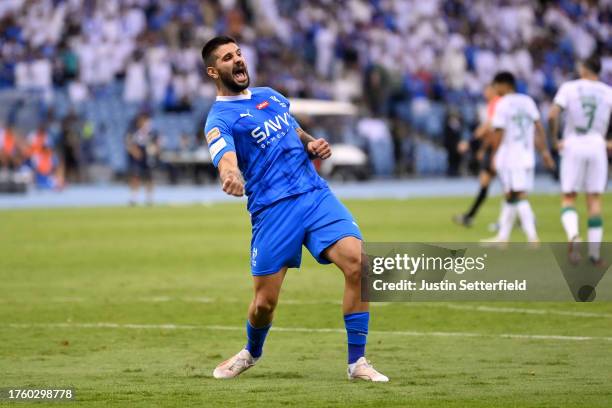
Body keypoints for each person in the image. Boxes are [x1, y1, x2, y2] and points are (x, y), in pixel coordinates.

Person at [202, 36, 388, 382]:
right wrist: (229, 174)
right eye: (228, 58)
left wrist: (310, 143)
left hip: (314, 195)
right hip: (273, 211)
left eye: (239, 53)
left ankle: (357, 362)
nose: (238, 60)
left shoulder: (270, 96)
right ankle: (251, 351)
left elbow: (293, 128)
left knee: (360, 264)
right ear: (214, 71)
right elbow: (224, 155)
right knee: (264, 305)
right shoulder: (218, 118)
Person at [548, 55, 612, 264]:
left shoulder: (570, 87)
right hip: (597, 144)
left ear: (584, 69)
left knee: (569, 197)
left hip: (573, 143)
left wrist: (556, 138)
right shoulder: (607, 91)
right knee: (594, 201)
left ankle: (574, 235)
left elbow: (552, 114)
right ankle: (594, 256)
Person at [482, 72, 555, 244]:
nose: (495, 89)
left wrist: (494, 155)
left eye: (496, 85)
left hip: (510, 156)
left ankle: (532, 237)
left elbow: (498, 132)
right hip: (526, 154)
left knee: (518, 195)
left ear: (505, 85)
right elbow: (539, 128)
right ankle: (503, 237)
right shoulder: (528, 101)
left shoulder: (503, 104)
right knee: (510, 195)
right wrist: (544, 152)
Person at [453, 84, 500, 227]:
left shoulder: (496, 104)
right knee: (485, 182)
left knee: (510, 188)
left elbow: (489, 127)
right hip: (495, 149)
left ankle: (514, 221)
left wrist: (470, 141)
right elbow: (491, 131)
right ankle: (469, 216)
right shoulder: (493, 105)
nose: (485, 93)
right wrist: (483, 149)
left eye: (487, 90)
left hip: (501, 151)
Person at [125, 113, 159, 206]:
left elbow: (156, 144)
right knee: (135, 176)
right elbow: (128, 143)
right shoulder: (133, 131)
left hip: (148, 157)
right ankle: (134, 198)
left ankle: (149, 199)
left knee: (149, 177)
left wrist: (154, 149)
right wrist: (134, 151)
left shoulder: (151, 132)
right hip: (137, 158)